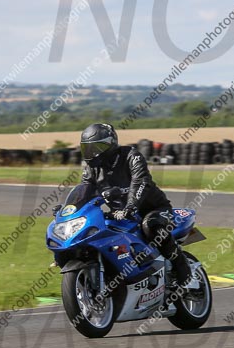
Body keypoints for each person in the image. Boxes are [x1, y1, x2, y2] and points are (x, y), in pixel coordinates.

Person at [79, 123, 192, 286]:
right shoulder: (92, 169)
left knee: (151, 225)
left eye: (96, 148)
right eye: (88, 148)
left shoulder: (131, 156)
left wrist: (130, 206)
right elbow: (84, 191)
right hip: (121, 215)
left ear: (110, 143)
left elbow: (140, 182)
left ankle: (182, 268)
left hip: (153, 209)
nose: (92, 154)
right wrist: (71, 210)